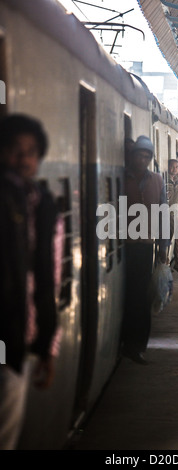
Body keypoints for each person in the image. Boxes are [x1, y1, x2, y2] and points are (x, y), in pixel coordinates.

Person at [0, 113, 62, 450]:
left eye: (30, 151)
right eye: (14, 150)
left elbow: (46, 275)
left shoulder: (40, 202)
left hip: (15, 335)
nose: (23, 159)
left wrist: (45, 345)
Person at [122, 135, 167, 365]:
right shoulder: (121, 177)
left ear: (150, 158)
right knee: (127, 298)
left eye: (147, 155)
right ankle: (126, 342)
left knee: (141, 298)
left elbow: (163, 214)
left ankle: (138, 346)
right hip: (122, 247)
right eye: (139, 154)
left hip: (145, 249)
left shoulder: (157, 180)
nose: (143, 158)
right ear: (132, 155)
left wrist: (163, 247)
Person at [166, 159, 178, 263]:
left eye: (176, 167)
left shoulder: (177, 180)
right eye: (172, 166)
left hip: (175, 212)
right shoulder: (166, 180)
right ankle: (166, 260)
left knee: (172, 237)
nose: (174, 169)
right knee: (168, 236)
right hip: (167, 213)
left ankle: (169, 259)